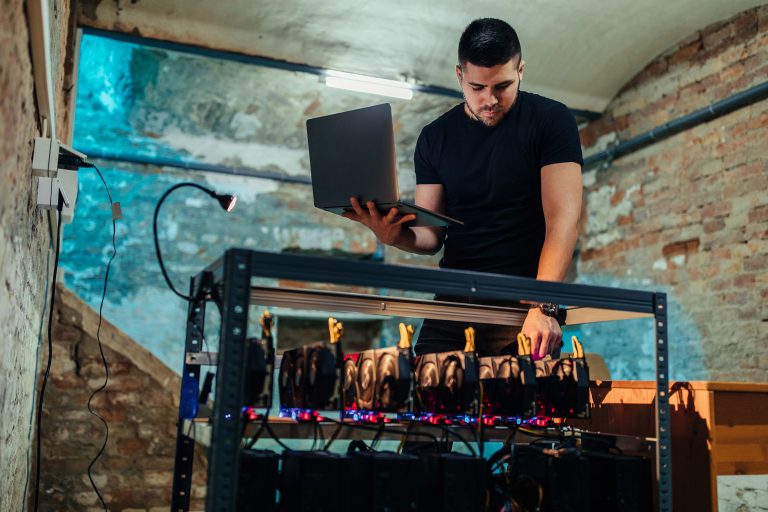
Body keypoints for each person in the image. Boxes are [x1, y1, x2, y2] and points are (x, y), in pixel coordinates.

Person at [343, 18, 583, 359]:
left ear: (521, 71)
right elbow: (430, 237)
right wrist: (392, 235)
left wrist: (543, 307)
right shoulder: (434, 137)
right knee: (427, 400)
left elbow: (563, 222)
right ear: (459, 76)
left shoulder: (551, 120)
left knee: (519, 409)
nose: (490, 99)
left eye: (502, 86)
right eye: (477, 87)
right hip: (454, 301)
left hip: (524, 302)